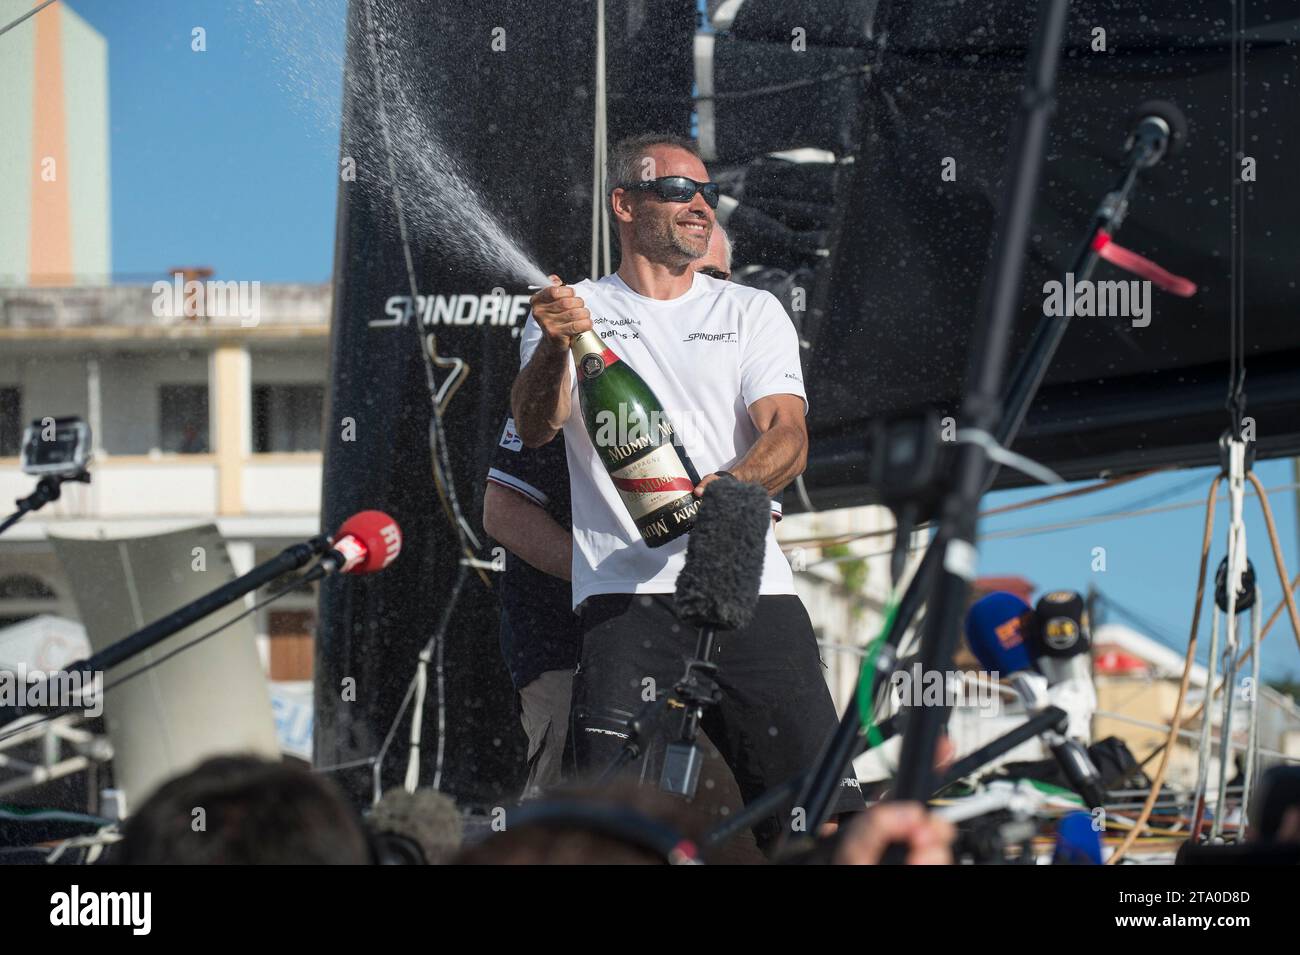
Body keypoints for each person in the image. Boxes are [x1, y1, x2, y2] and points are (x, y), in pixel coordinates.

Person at [509, 132, 864, 852]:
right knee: (611, 832)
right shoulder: (570, 311)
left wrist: (727, 487)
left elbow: (788, 437)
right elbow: (537, 426)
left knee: (818, 818)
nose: (699, 205)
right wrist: (554, 344)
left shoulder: (750, 310)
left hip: (749, 586)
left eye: (705, 192)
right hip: (625, 597)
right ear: (625, 203)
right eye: (677, 190)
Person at [484, 225, 781, 800]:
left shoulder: (749, 371)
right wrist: (610, 576)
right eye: (684, 275)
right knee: (597, 830)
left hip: (721, 649)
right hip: (581, 650)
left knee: (743, 821)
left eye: (712, 277)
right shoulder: (582, 378)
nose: (698, 291)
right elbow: (503, 511)